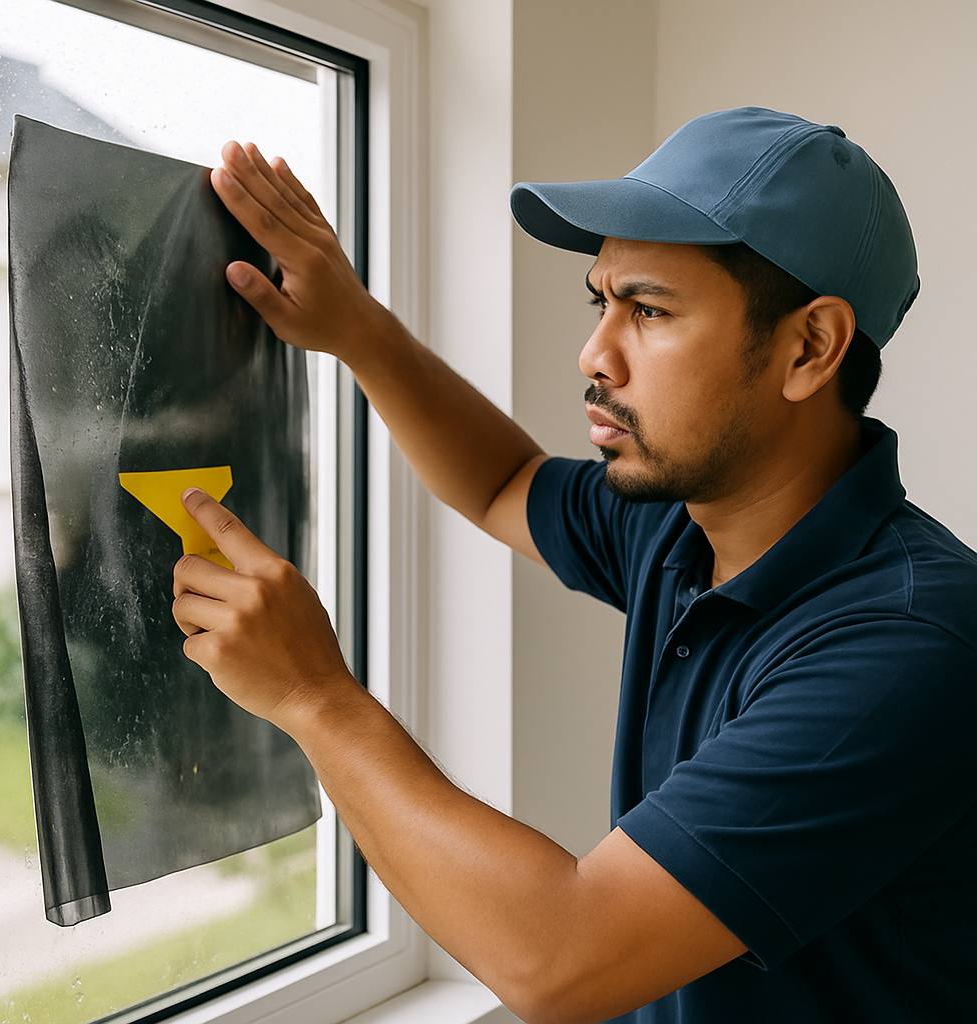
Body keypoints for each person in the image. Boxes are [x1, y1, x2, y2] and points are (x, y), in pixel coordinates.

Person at [171, 106, 977, 1022]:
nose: (595, 354)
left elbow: (561, 959)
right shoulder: (682, 527)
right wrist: (355, 326)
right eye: (603, 303)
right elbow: (501, 482)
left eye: (649, 310)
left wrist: (315, 698)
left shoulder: (908, 643)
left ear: (809, 347)